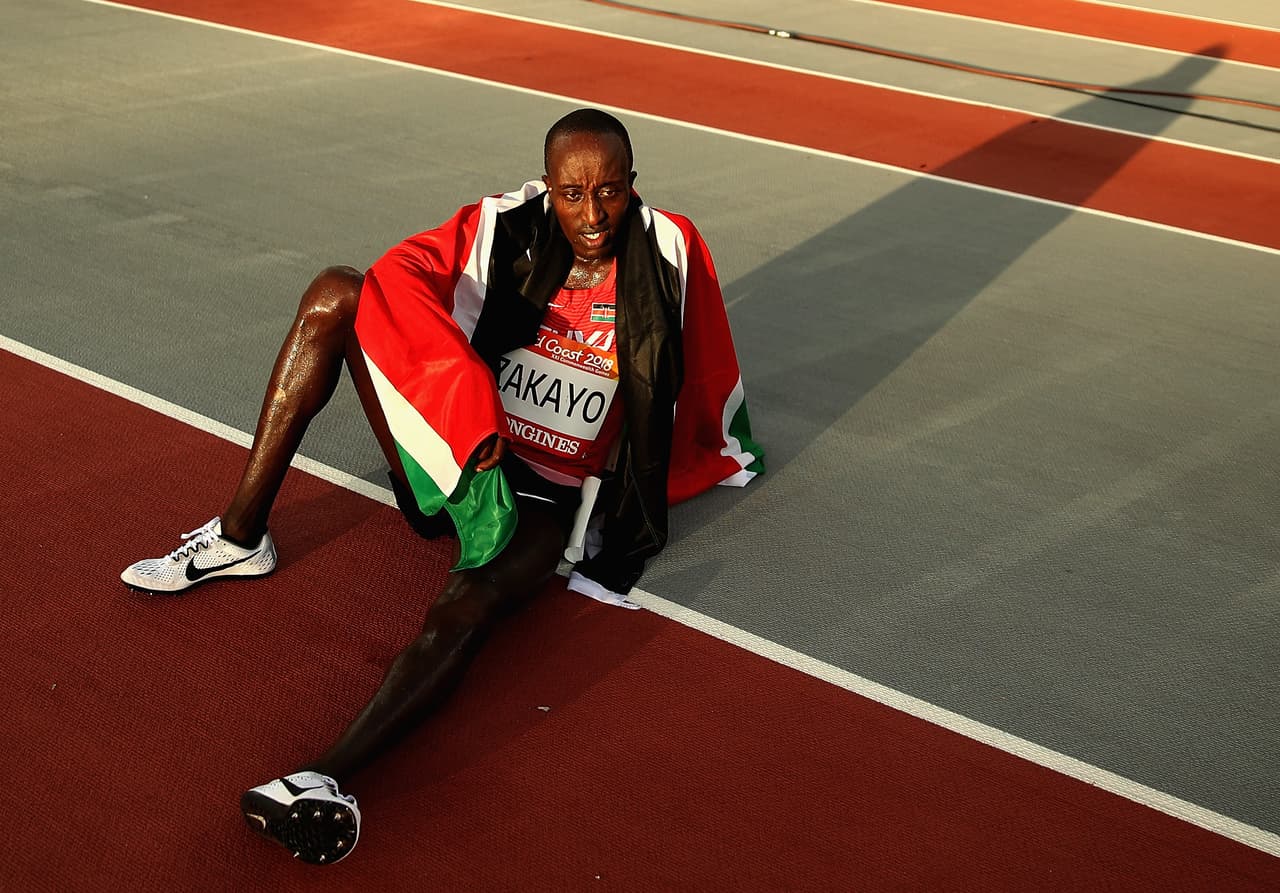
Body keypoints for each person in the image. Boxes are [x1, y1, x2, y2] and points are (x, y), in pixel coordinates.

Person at [120, 108, 763, 865]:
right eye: (573, 193)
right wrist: (464, 407)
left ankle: (323, 778)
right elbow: (399, 275)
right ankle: (240, 535)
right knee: (337, 292)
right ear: (548, 187)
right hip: (460, 457)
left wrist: (700, 456)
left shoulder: (668, 254)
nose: (592, 216)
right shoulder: (504, 227)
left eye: (611, 192)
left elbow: (704, 364)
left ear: (634, 185)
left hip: (540, 501)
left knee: (463, 609)